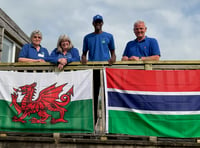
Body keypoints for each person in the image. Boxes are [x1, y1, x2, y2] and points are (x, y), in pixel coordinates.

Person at [81, 14, 116, 124]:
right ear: (93, 23)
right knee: (94, 97)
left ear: (102, 23)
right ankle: (93, 125)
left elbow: (113, 54)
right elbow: (83, 54)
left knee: (106, 98)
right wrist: (83, 59)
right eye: (96, 22)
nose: (98, 24)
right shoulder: (87, 38)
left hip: (106, 70)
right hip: (93, 70)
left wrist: (112, 59)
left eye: (99, 22)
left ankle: (107, 125)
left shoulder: (109, 36)